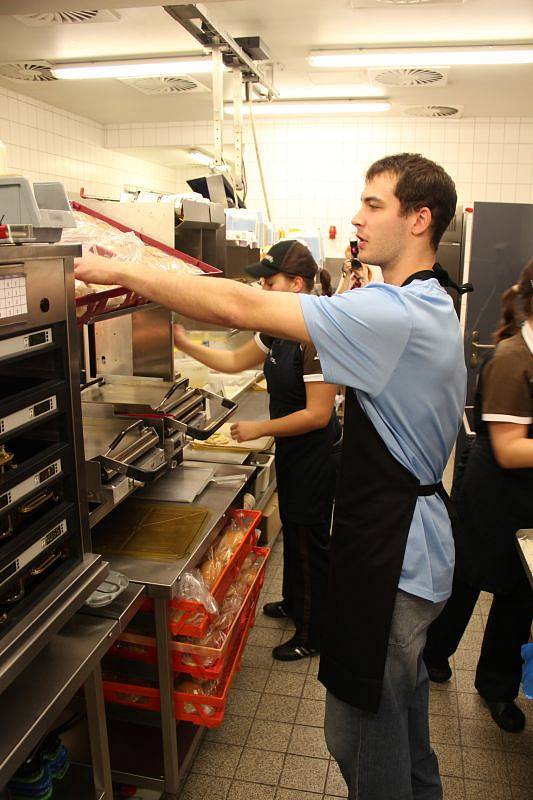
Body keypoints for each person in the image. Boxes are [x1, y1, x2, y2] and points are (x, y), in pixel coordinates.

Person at [74, 152, 467, 799]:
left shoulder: (395, 314)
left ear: (419, 218)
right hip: (407, 550)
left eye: (373, 204)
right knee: (400, 728)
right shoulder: (417, 303)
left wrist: (124, 268)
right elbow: (240, 338)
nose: (356, 217)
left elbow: (235, 306)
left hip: (397, 561)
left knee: (359, 738)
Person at [173, 239, 341, 660]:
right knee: (297, 527)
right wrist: (181, 342)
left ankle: (314, 631)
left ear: (297, 284)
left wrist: (257, 429)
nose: (262, 290)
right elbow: (232, 361)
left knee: (309, 537)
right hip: (292, 448)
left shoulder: (317, 338)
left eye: (269, 282)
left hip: (316, 453)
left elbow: (318, 414)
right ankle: (294, 603)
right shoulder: (277, 329)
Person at [424, 260, 533, 733]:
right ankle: (433, 654)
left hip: (527, 494)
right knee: (468, 580)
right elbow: (510, 450)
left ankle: (497, 687)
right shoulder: (513, 358)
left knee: (517, 597)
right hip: (495, 492)